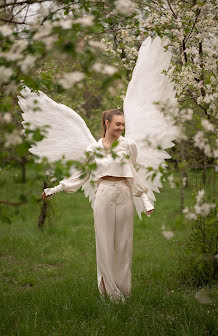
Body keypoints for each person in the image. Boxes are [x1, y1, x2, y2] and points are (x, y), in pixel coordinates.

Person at [41, 109, 154, 303]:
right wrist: (56, 188)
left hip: (124, 194)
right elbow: (81, 174)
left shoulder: (129, 146)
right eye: (117, 124)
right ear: (107, 123)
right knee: (104, 244)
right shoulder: (93, 149)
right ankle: (111, 292)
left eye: (123, 124)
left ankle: (124, 290)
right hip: (103, 194)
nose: (121, 127)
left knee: (123, 244)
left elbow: (133, 173)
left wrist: (144, 199)